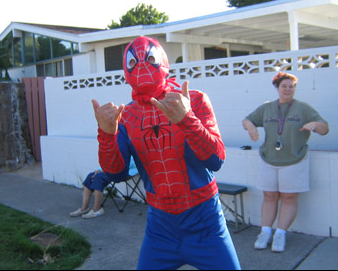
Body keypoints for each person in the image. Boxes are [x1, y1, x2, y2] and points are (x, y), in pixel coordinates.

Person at [92, 36, 241, 270]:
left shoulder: (194, 100)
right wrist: (106, 135)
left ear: (163, 62)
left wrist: (187, 120)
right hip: (160, 226)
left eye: (149, 58)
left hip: (205, 220)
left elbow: (216, 159)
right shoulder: (126, 116)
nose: (141, 66)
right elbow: (116, 173)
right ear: (125, 71)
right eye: (133, 63)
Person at [242, 72, 329, 252]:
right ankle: (265, 232)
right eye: (284, 86)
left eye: (291, 86)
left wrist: (314, 125)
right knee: (269, 196)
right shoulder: (266, 108)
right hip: (269, 159)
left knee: (289, 197)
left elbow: (324, 128)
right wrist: (250, 126)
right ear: (278, 88)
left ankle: (280, 234)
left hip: (294, 160)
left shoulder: (304, 108)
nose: (288, 89)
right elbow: (247, 119)